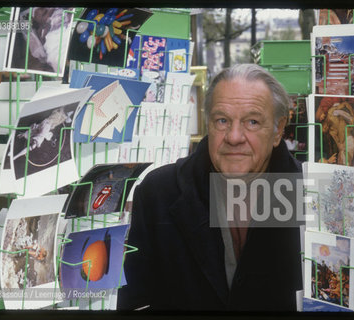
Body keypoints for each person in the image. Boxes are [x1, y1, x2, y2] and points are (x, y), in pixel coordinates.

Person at [117, 64, 303, 311]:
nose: (234, 137)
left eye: (253, 122)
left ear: (278, 130)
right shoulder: (158, 193)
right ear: (208, 124)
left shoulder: (306, 193)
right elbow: (135, 299)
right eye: (222, 120)